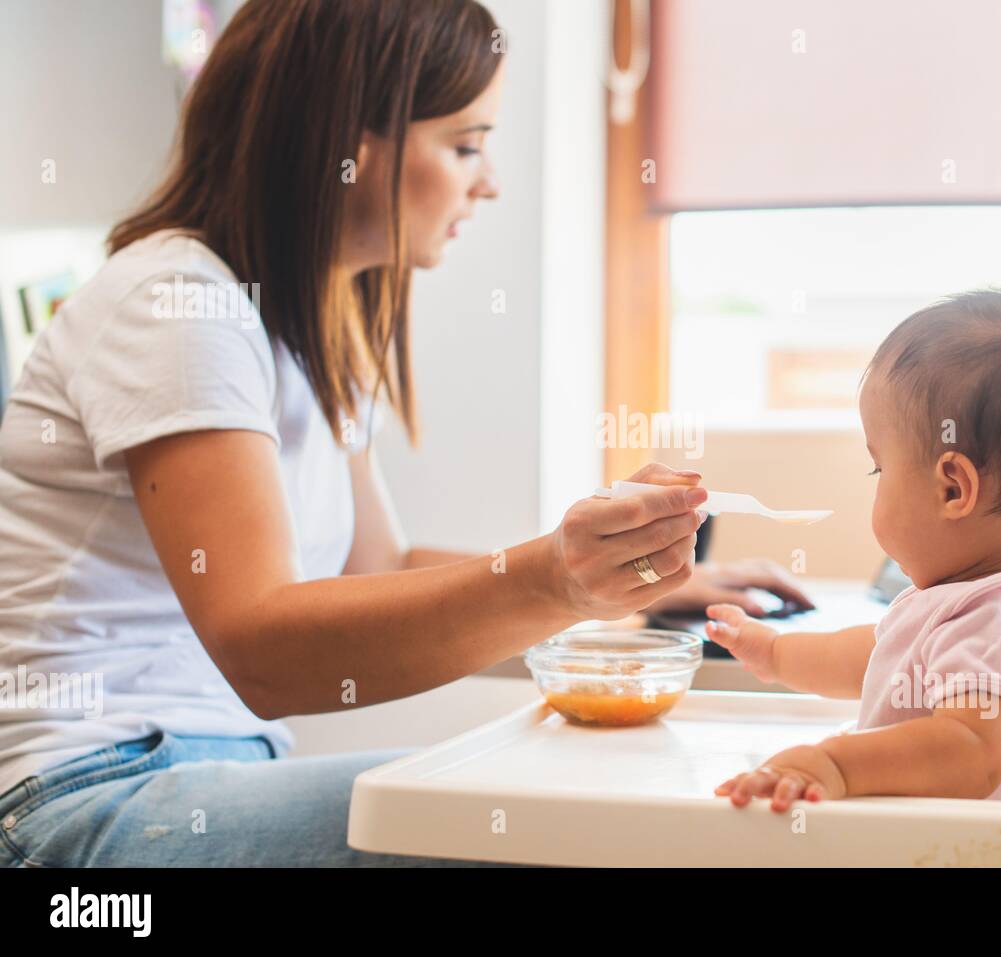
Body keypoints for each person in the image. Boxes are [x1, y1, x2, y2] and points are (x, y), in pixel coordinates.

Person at [0, 0, 805, 867]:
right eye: (464, 144)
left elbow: (377, 569)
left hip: (202, 770)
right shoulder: (178, 306)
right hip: (82, 800)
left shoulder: (300, 327)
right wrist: (557, 580)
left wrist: (622, 593)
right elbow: (261, 648)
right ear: (349, 142)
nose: (487, 180)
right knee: (545, 821)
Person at [704, 290, 1001, 810]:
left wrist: (837, 763)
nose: (876, 482)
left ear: (953, 488)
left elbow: (972, 749)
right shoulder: (989, 602)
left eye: (879, 468)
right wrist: (775, 653)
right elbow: (876, 657)